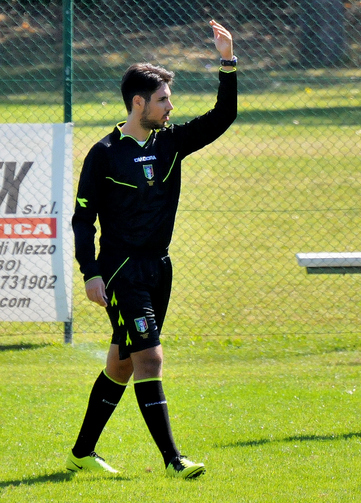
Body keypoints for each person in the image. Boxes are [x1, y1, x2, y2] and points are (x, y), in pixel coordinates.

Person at [66, 20, 237, 478]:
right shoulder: (103, 153)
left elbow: (223, 117)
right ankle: (172, 461)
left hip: (159, 268)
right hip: (120, 270)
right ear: (138, 102)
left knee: (121, 365)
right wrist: (91, 272)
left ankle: (82, 453)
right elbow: (83, 220)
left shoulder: (172, 143)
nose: (170, 106)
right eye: (163, 99)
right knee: (150, 357)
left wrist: (228, 62)